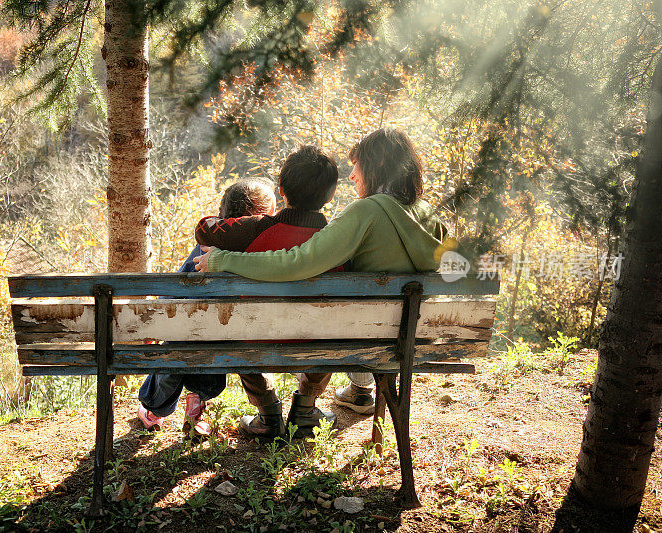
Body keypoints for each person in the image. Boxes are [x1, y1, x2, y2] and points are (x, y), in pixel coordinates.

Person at [194, 128, 448, 421]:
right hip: (406, 338)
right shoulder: (428, 214)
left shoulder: (365, 212)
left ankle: (280, 408)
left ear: (377, 166)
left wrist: (224, 260)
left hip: (355, 336)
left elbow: (297, 263)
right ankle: (349, 394)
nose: (352, 176)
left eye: (357, 165)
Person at [194, 145, 341, 440]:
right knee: (334, 325)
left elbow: (204, 230)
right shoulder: (336, 238)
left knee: (237, 328)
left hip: (254, 339)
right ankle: (306, 408)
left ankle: (267, 413)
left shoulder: (252, 229)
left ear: (282, 189)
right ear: (330, 196)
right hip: (316, 340)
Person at [137, 179, 277, 435]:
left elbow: (173, 293)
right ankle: (197, 401)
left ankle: (154, 408)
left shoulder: (207, 248)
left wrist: (156, 325)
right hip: (244, 336)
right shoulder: (272, 251)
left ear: (224, 215)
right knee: (211, 336)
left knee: (182, 341)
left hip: (200, 334)